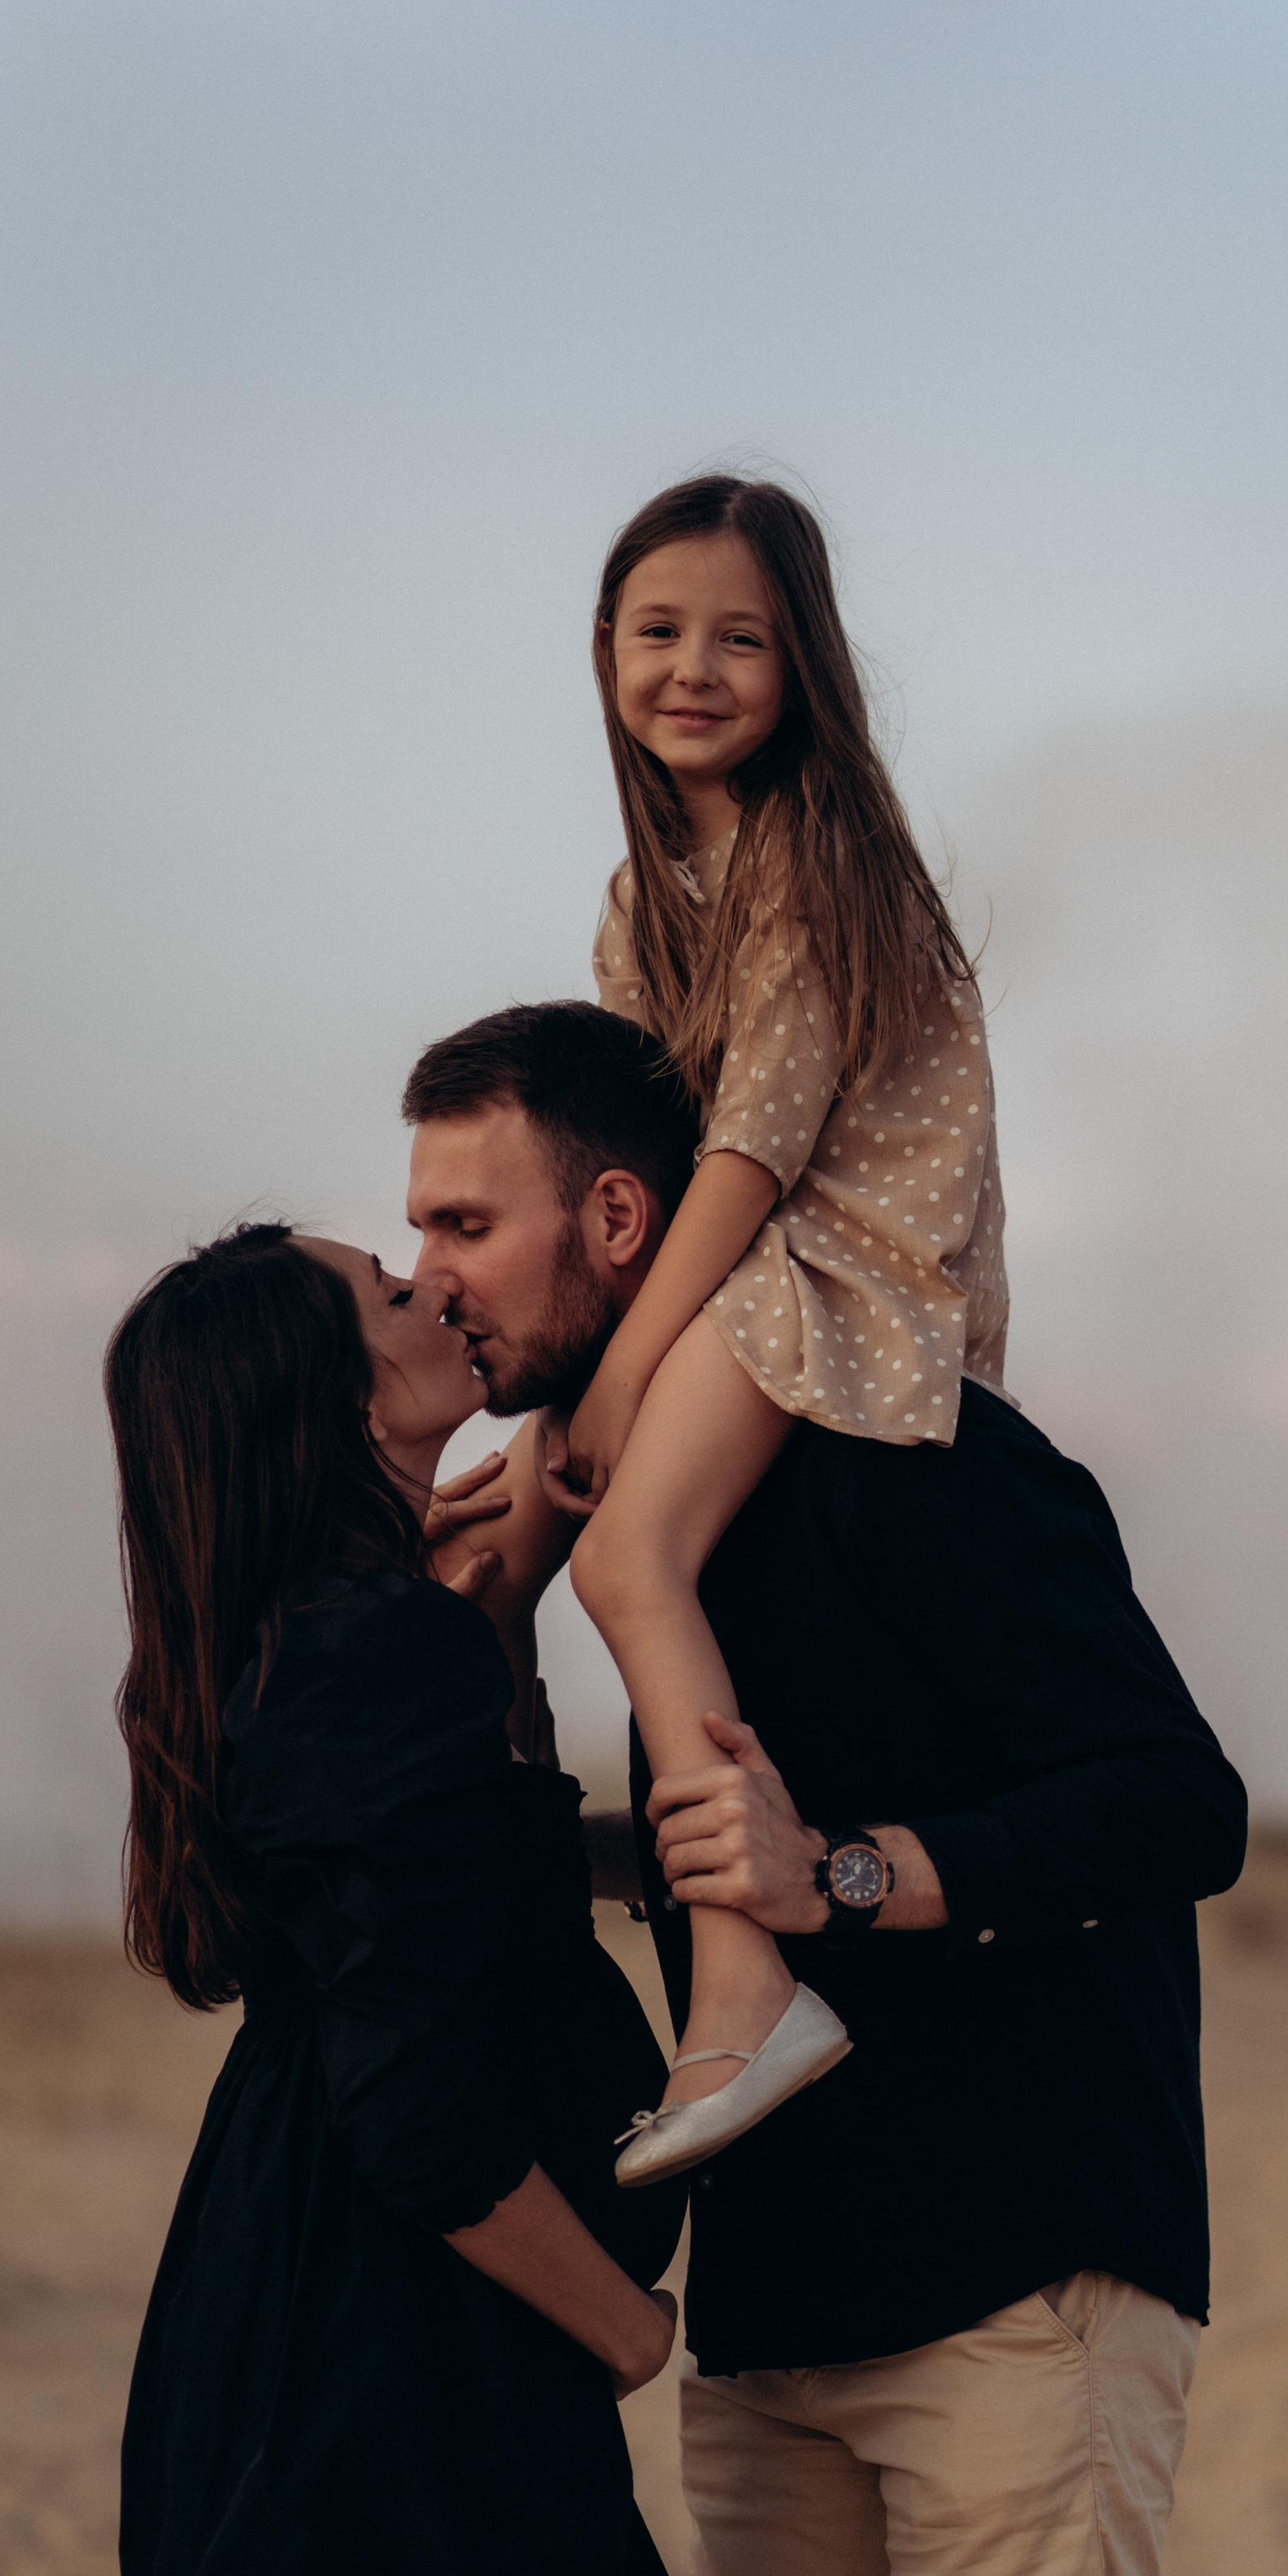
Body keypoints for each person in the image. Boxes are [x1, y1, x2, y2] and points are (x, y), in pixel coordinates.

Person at [403, 1005, 1248, 2576]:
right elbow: (668, 1850)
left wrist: (845, 1874)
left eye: (463, 1221)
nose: (437, 1271)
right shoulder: (604, 1537)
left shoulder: (933, 1459)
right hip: (773, 2285)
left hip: (1020, 2277)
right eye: (412, 1230)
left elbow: (1179, 1803)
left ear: (615, 1223)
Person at [76, 1224, 686, 2576]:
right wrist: (622, 2329)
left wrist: (497, 1571)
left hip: (383, 2350)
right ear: (320, 1403)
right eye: (379, 1292)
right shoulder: (368, 1658)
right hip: (352, 2359)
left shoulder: (356, 1632)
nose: (432, 1292)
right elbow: (420, 2125)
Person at [527, 472, 1013, 2183]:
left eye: (740, 636)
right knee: (548, 1497)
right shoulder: (642, 895)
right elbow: (634, 1161)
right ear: (604, 655)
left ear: (802, 663)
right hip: (735, 1257)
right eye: (657, 632)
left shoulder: (812, 860)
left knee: (623, 1560)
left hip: (838, 1259)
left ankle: (742, 1973)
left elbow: (745, 1158)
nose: (693, 668)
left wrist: (626, 1368)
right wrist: (570, 1384)